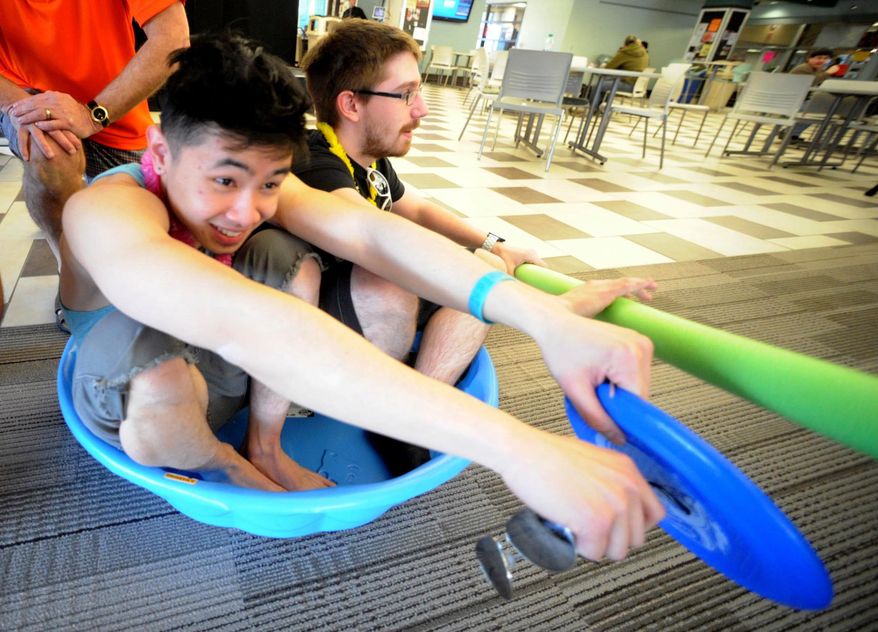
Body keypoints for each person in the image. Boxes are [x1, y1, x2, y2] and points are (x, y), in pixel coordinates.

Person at [61, 33, 663, 562]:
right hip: (151, 408)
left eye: (269, 183)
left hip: (223, 372)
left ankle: (264, 444)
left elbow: (373, 232)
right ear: (160, 153)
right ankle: (229, 465)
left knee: (280, 253)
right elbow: (249, 326)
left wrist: (544, 316)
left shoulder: (255, 186)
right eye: (224, 180)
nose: (245, 210)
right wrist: (517, 447)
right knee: (159, 369)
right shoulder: (108, 211)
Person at [296, 19, 545, 392]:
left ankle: (422, 401)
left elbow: (419, 210)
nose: (422, 110)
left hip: (370, 310)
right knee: (391, 283)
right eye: (406, 94)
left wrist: (495, 244)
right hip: (318, 324)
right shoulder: (317, 161)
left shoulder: (370, 157)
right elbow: (376, 235)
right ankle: (396, 406)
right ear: (351, 104)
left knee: (488, 265)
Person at [0, 1, 189, 260]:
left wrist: (93, 116)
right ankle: (68, 264)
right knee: (50, 153)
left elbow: (173, 39)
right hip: (26, 93)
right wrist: (20, 108)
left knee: (145, 235)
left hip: (112, 104)